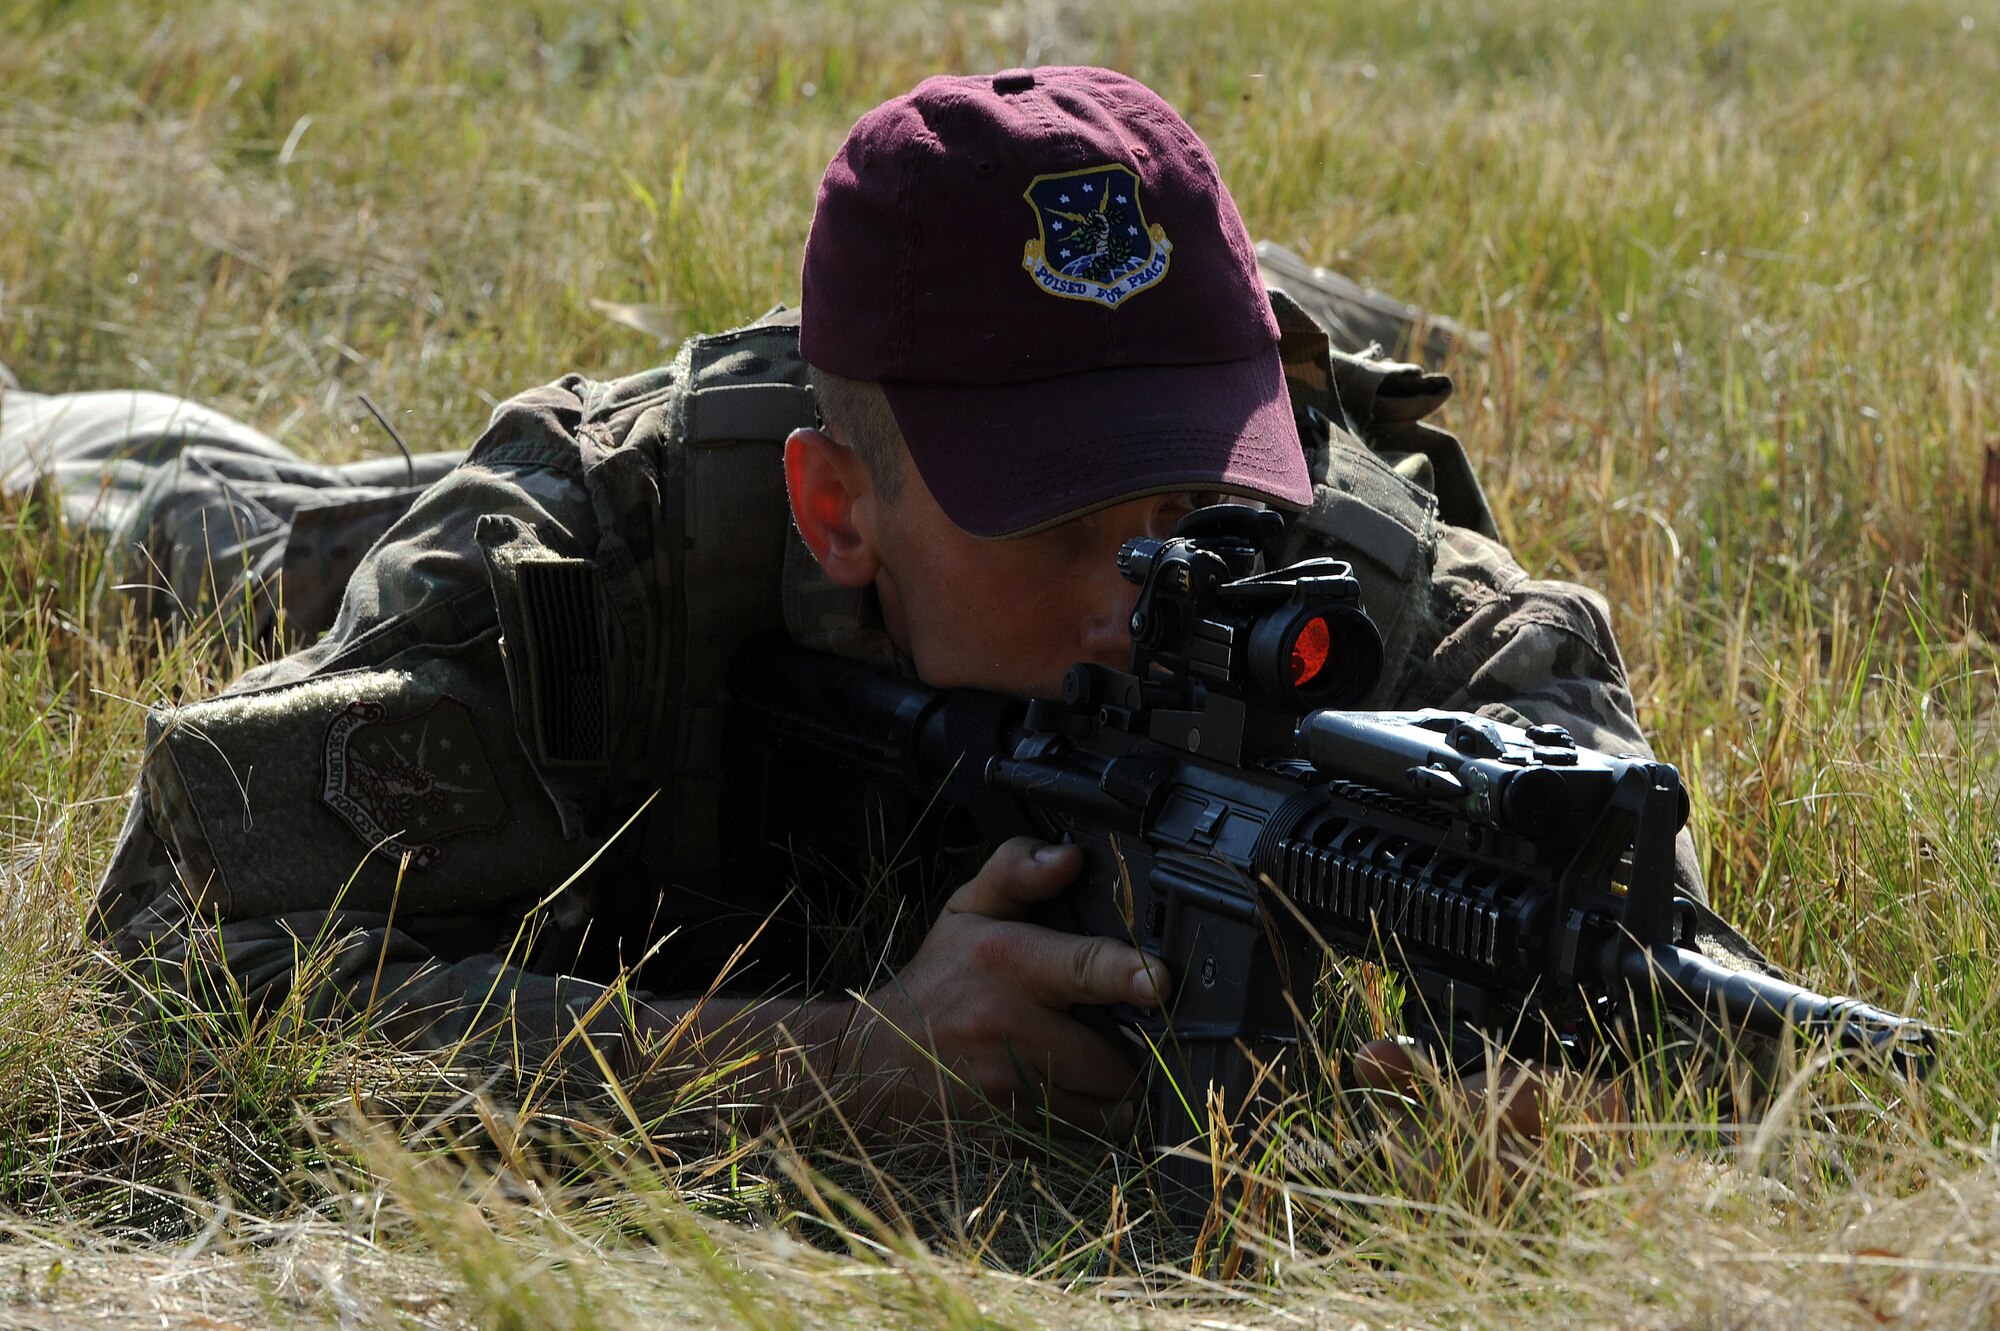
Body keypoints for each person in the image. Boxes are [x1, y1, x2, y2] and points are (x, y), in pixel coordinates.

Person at [23, 67, 1726, 1146]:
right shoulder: (585, 566)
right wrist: (829, 1059)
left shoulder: (1352, 571)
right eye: (1069, 524)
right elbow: (173, 984)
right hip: (578, 549)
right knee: (215, 526)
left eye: (1204, 502)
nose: (1156, 592)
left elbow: (1621, 885)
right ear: (842, 512)